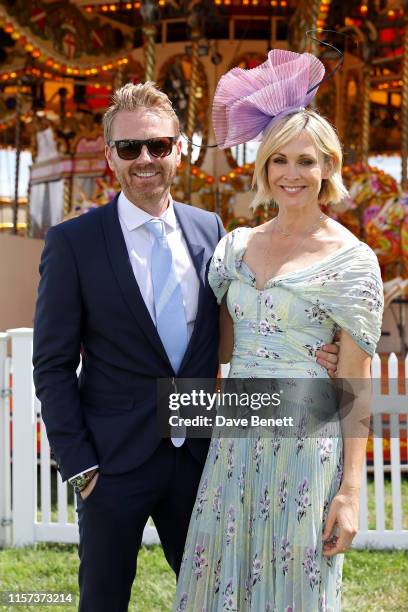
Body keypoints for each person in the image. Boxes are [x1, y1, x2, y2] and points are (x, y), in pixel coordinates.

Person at [32, 81, 339, 612]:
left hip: (201, 461)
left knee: (215, 599)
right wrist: (79, 465)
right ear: (110, 157)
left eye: (157, 145)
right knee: (101, 601)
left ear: (179, 150)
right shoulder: (73, 244)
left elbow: (235, 329)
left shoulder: (211, 231)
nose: (144, 159)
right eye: (130, 148)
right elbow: (52, 364)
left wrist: (310, 347)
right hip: (112, 465)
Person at [173, 50, 384, 611]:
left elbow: (357, 390)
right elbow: (217, 347)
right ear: (264, 167)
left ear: (328, 169)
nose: (292, 174)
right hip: (235, 443)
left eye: (307, 162)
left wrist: (350, 495)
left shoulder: (353, 261)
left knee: (294, 590)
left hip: (305, 446)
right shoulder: (234, 247)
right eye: (280, 160)